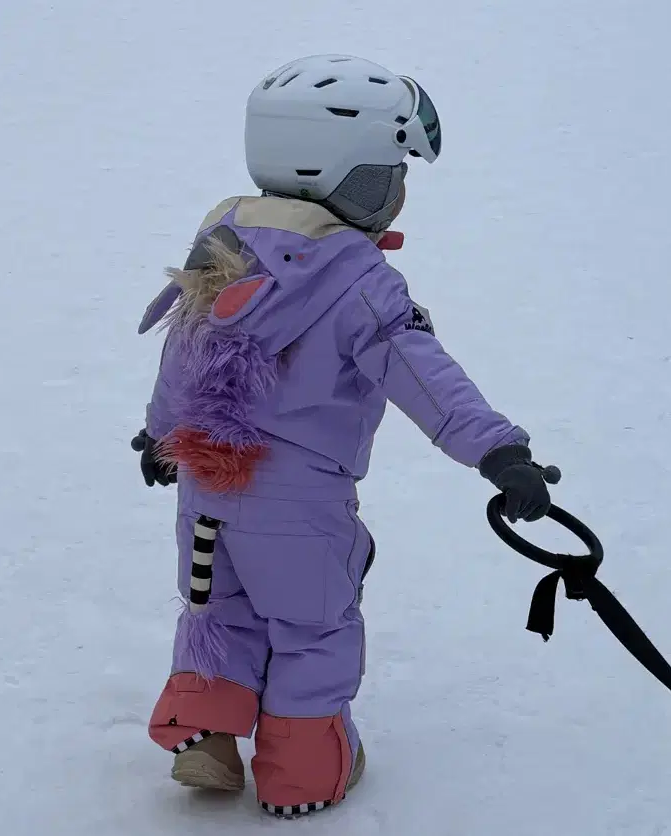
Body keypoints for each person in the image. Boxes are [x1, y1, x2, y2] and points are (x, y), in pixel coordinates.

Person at [131, 53, 555, 818]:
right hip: (299, 505)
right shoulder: (359, 282)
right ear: (350, 177)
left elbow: (182, 349)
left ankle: (207, 735)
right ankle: (303, 771)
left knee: (214, 607)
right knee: (312, 624)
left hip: (204, 484)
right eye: (391, 173)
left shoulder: (221, 242)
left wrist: (161, 433)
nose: (397, 192)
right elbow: (424, 376)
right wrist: (498, 450)